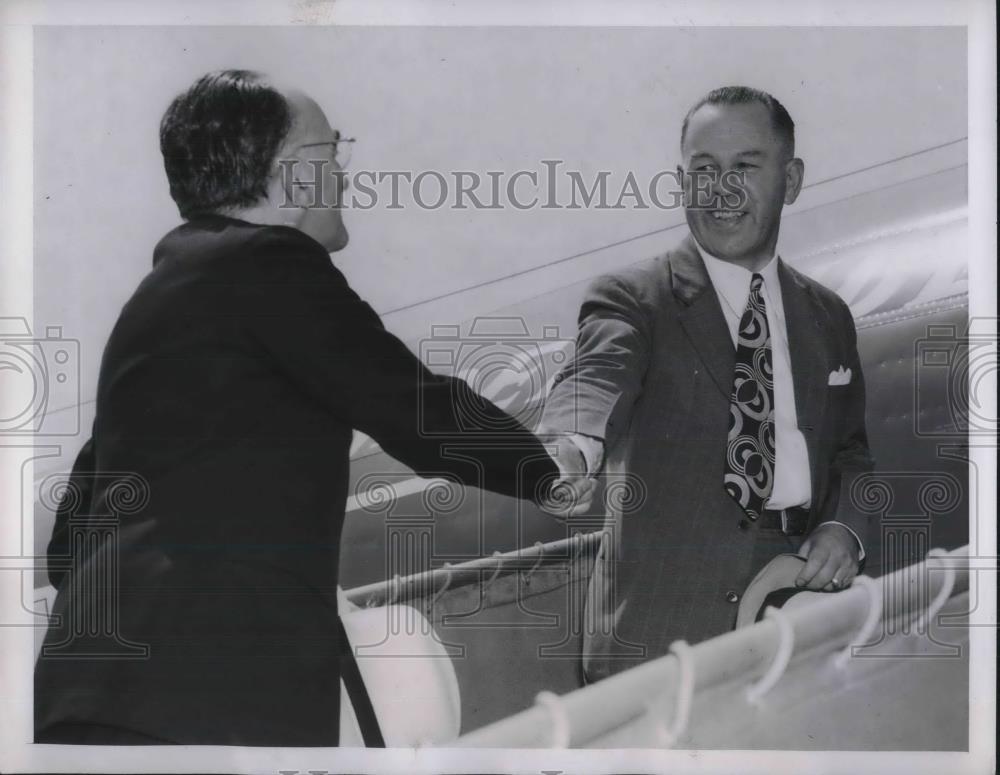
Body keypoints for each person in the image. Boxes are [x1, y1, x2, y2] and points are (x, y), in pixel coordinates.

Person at [34, 70, 592, 746]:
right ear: (294, 174)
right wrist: (544, 470)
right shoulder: (270, 266)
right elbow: (414, 407)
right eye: (333, 153)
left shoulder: (153, 306)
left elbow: (69, 544)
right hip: (209, 699)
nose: (345, 175)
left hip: (86, 697)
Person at [538, 86, 874, 682]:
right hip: (661, 641)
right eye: (703, 170)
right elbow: (596, 376)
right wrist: (571, 445)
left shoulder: (828, 315)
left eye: (745, 167)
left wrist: (841, 525)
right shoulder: (633, 298)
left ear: (791, 180)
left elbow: (850, 451)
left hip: (792, 616)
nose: (720, 191)